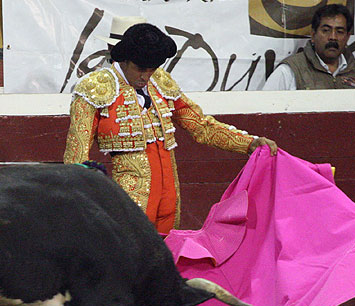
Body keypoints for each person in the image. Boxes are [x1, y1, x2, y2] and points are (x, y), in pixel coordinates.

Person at [64, 23, 277, 234]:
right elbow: (76, 156)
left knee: (166, 255)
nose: (145, 77)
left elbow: (201, 126)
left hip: (170, 197)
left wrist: (249, 143)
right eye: (140, 69)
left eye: (152, 69)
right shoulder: (93, 89)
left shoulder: (159, 83)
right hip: (130, 197)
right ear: (124, 59)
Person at [262, 4, 355, 90]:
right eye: (326, 31)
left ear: (347, 37)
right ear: (313, 35)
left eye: (340, 31)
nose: (333, 37)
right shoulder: (290, 71)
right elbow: (267, 110)